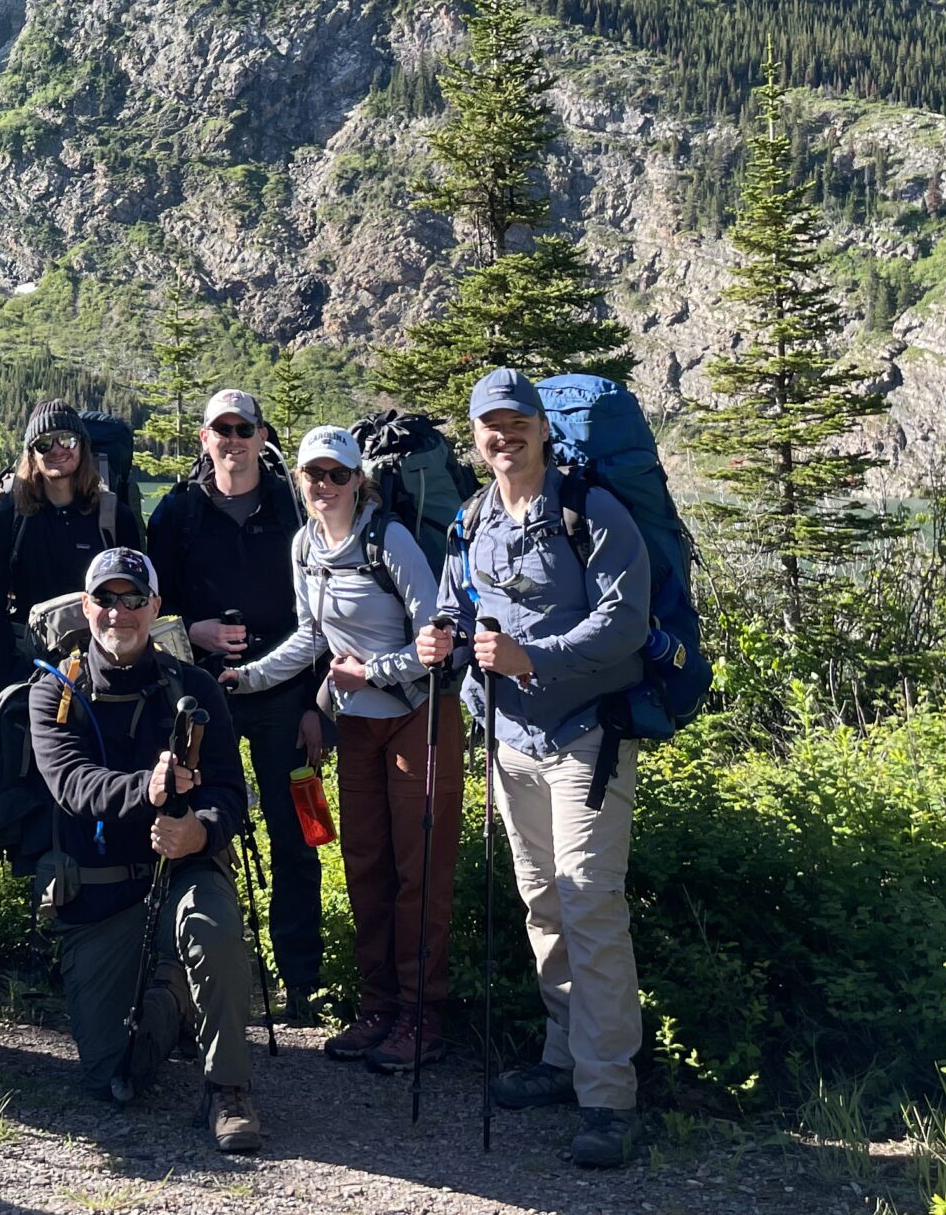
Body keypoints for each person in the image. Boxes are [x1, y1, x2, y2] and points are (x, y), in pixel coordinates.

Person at [416, 369, 653, 1171]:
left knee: (589, 906)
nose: (503, 434)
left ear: (543, 429)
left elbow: (627, 621)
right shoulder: (473, 518)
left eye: (517, 421)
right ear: (477, 435)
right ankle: (563, 1057)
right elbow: (456, 600)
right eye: (490, 423)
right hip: (509, 741)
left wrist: (532, 658)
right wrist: (440, 637)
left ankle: (610, 1096)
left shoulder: (592, 511)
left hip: (587, 735)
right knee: (543, 902)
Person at [223, 425, 458, 1073]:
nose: (323, 485)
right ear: (299, 480)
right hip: (355, 726)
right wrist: (249, 678)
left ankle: (421, 1015)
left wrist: (371, 673)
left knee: (419, 871)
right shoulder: (305, 547)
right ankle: (378, 1007)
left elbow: (436, 643)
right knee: (364, 868)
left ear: (358, 479)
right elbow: (309, 639)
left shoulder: (392, 541)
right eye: (312, 475)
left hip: (417, 717)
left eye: (335, 474)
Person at [28, 547, 262, 1154]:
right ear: (86, 607)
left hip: (180, 869)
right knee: (115, 1074)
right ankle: (175, 997)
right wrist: (148, 787)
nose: (118, 612)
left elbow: (230, 794)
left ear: (155, 608)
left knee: (213, 926)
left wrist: (200, 832)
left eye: (134, 599)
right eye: (105, 598)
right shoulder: (53, 691)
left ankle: (227, 1091)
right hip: (101, 894)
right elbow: (73, 785)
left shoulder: (195, 686)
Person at [145, 387, 324, 1018]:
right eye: (221, 429)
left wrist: (315, 706)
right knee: (196, 831)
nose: (233, 440)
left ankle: (301, 982)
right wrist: (192, 631)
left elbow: (325, 610)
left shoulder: (293, 507)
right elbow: (147, 607)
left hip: (284, 693)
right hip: (202, 697)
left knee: (295, 836)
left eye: (244, 428)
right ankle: (201, 977)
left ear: (261, 435)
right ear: (205, 439)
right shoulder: (177, 513)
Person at [0, 401, 145, 695]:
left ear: (83, 447)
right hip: (30, 670)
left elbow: (139, 598)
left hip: (104, 670)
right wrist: (4, 681)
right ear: (32, 454)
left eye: (67, 439)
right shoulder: (10, 520)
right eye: (44, 443)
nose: (56, 450)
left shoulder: (115, 517)